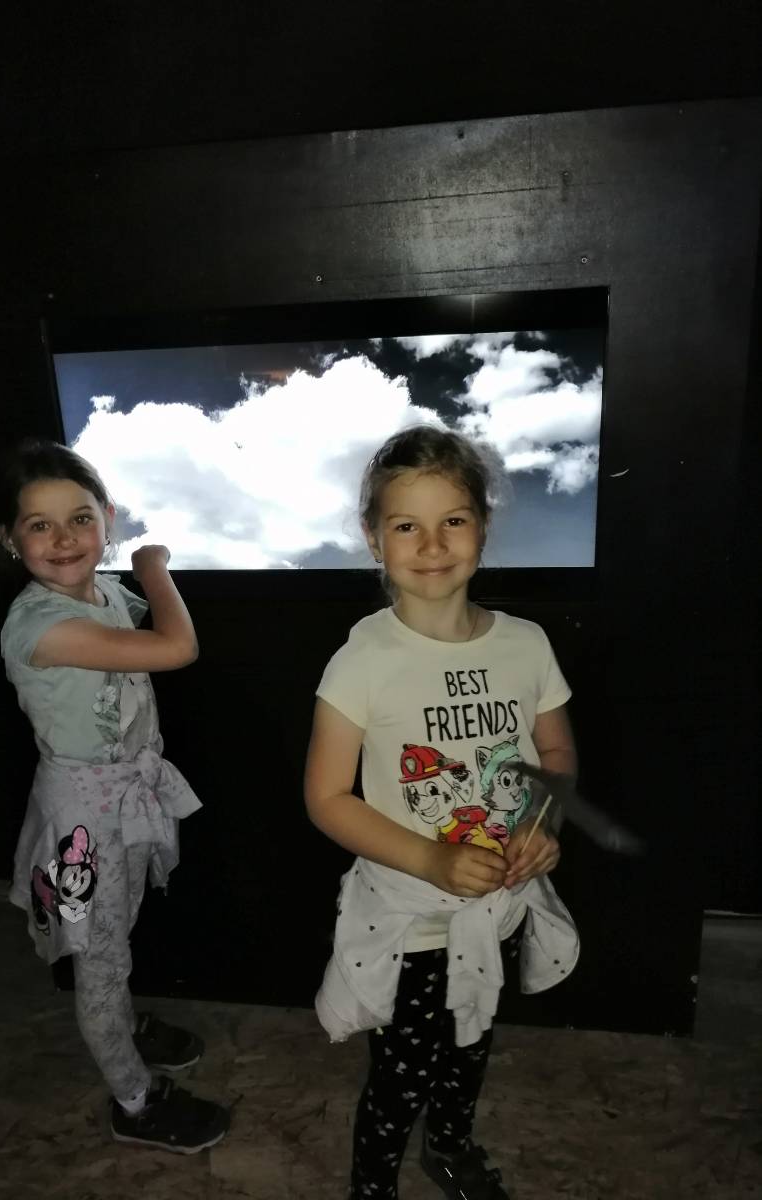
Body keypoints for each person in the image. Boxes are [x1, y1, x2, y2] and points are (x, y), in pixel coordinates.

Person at [304, 425, 579, 1200]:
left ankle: (451, 1146)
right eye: (406, 525)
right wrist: (429, 858)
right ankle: (372, 1186)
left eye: (452, 519)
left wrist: (541, 823)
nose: (432, 545)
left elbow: (556, 753)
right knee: (403, 1072)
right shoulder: (361, 661)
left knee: (472, 1042)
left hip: (497, 905)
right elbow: (325, 797)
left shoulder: (527, 644)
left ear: (482, 528)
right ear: (374, 540)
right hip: (412, 917)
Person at [0, 437, 229, 1153]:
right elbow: (176, 648)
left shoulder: (103, 595)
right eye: (40, 525)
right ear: (9, 540)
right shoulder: (41, 625)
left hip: (122, 798)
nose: (65, 539)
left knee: (115, 935)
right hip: (83, 823)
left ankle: (124, 1025)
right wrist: (154, 566)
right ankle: (134, 1101)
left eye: (80, 518)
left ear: (107, 518)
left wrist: (133, 580)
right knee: (99, 960)